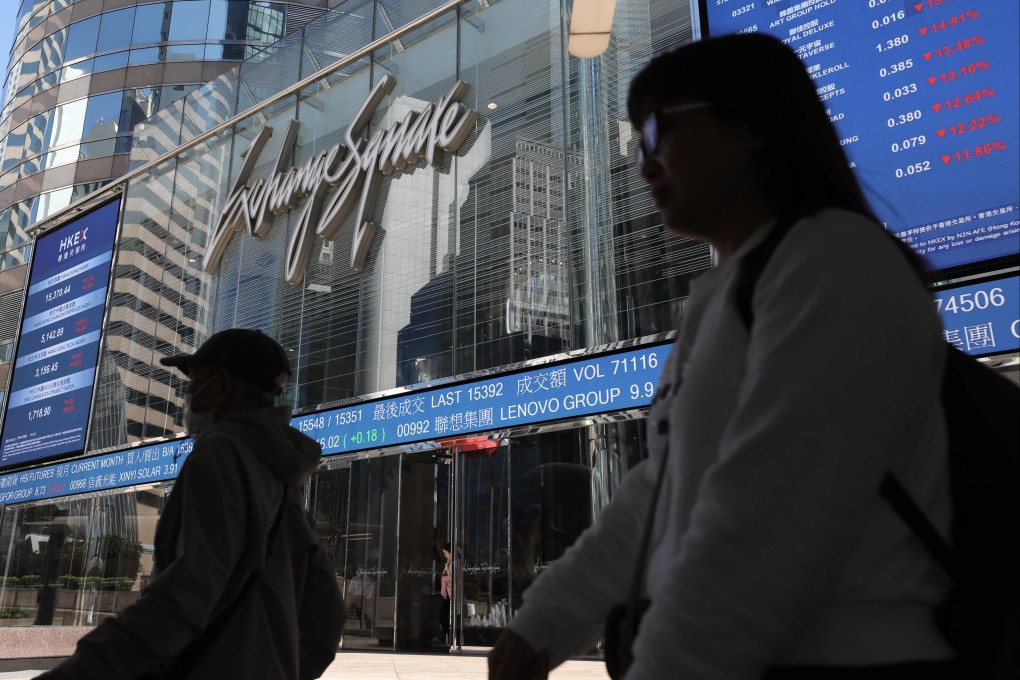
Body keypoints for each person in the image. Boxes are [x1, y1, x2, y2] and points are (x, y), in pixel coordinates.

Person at [489, 33, 956, 680]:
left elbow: (769, 520)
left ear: (753, 125)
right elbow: (659, 495)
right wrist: (540, 621)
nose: (644, 163)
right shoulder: (724, 296)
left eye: (659, 130)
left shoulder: (834, 260)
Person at [37, 328, 344, 680]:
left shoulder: (220, 452)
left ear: (220, 385)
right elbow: (327, 612)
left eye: (193, 381)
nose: (187, 393)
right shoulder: (280, 477)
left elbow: (185, 595)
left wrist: (79, 672)